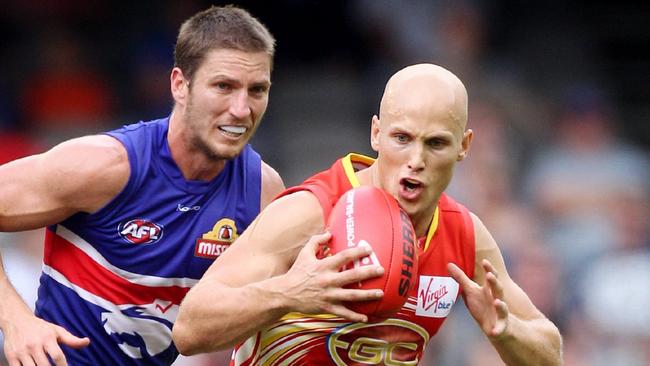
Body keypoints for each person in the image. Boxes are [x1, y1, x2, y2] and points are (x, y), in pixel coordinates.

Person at [173, 63, 563, 365]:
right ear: (376, 133)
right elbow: (189, 329)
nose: (416, 161)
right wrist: (289, 292)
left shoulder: (464, 236)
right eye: (402, 138)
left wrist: (505, 331)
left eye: (436, 144)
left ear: (464, 146)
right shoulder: (311, 212)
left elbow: (549, 353)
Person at [0, 5, 284, 365]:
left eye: (257, 90)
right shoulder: (106, 166)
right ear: (180, 85)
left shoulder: (263, 192)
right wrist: (17, 322)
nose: (242, 109)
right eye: (224, 87)